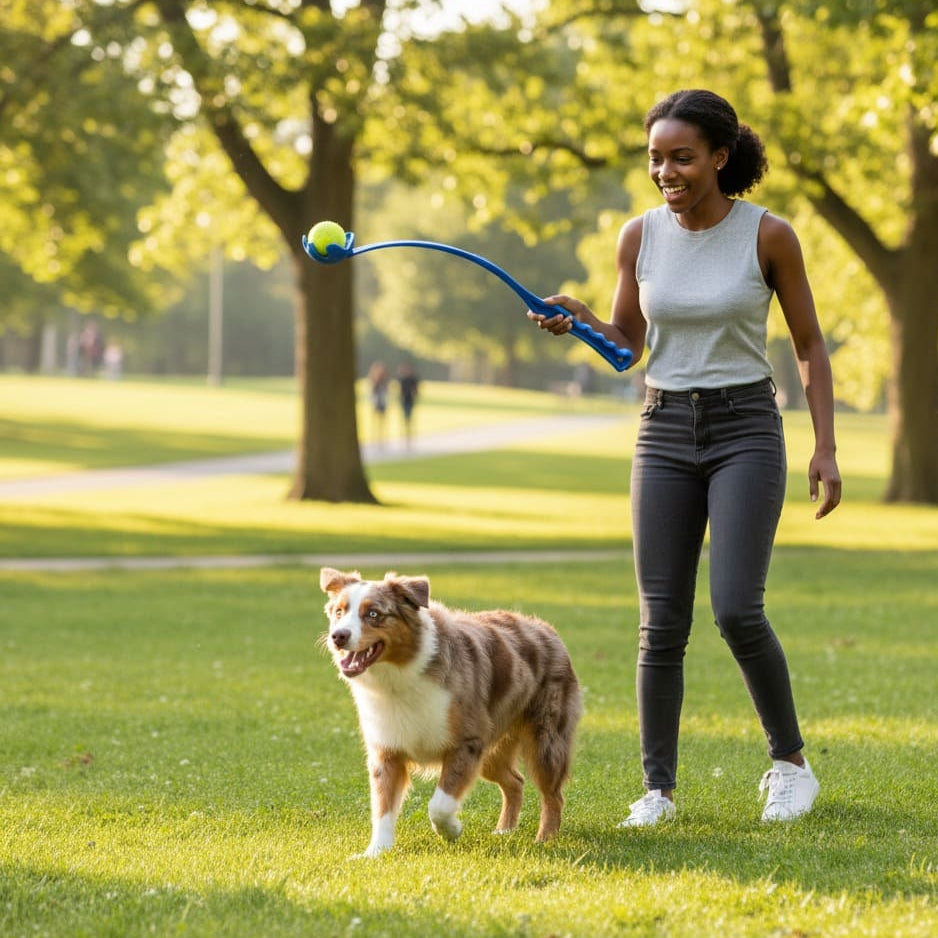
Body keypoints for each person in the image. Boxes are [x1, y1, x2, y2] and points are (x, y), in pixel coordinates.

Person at [529, 89, 841, 826]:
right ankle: (657, 792)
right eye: (656, 158)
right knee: (660, 621)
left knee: (736, 607)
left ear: (720, 157)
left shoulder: (769, 236)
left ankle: (791, 766)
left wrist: (825, 446)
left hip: (745, 429)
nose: (665, 171)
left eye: (681, 157)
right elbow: (626, 348)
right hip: (663, 427)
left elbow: (809, 344)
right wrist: (578, 318)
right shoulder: (639, 237)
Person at [368, 361, 390, 446]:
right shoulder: (374, 380)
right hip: (376, 402)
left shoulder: (384, 381)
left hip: (382, 402)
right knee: (376, 420)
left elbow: (386, 391)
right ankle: (376, 439)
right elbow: (372, 392)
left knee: (382, 421)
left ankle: (382, 439)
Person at [397, 363, 420, 447]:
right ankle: (405, 436)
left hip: (410, 401)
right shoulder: (402, 379)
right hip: (404, 401)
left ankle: (409, 437)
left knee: (409, 419)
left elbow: (416, 390)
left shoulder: (412, 379)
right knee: (404, 418)